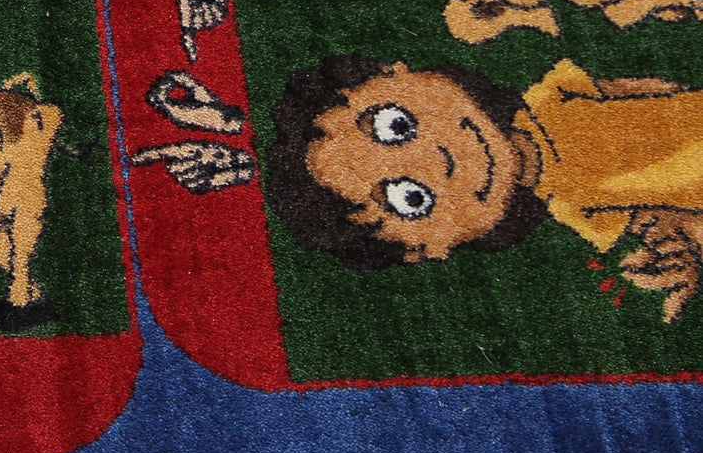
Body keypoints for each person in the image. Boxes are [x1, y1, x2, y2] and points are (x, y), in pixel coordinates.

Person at [264, 55, 703, 321]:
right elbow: (658, 205)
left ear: (400, 74)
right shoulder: (575, 206)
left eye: (397, 125)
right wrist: (683, 245)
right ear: (426, 249)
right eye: (410, 197)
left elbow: (666, 100)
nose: (441, 161)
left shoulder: (555, 102)